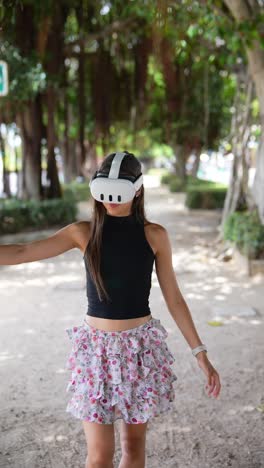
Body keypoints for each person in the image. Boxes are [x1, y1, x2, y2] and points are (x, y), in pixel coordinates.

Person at [0, 150, 221, 468]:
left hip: (139, 351)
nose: (111, 198)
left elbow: (174, 298)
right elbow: (22, 251)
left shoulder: (155, 235)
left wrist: (200, 352)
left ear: (138, 189)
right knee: (99, 455)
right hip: (96, 352)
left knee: (133, 448)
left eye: (120, 188)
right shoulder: (83, 232)